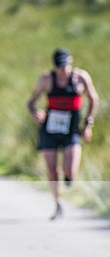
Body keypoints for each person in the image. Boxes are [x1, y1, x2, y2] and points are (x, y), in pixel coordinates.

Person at [27, 48, 99, 220]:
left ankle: (68, 177)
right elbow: (31, 102)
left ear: (70, 62)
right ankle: (58, 203)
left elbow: (93, 99)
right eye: (59, 67)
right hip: (50, 130)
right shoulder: (46, 79)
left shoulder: (80, 78)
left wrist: (88, 124)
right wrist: (35, 113)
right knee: (52, 170)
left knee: (70, 169)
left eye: (65, 66)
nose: (62, 71)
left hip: (71, 131)